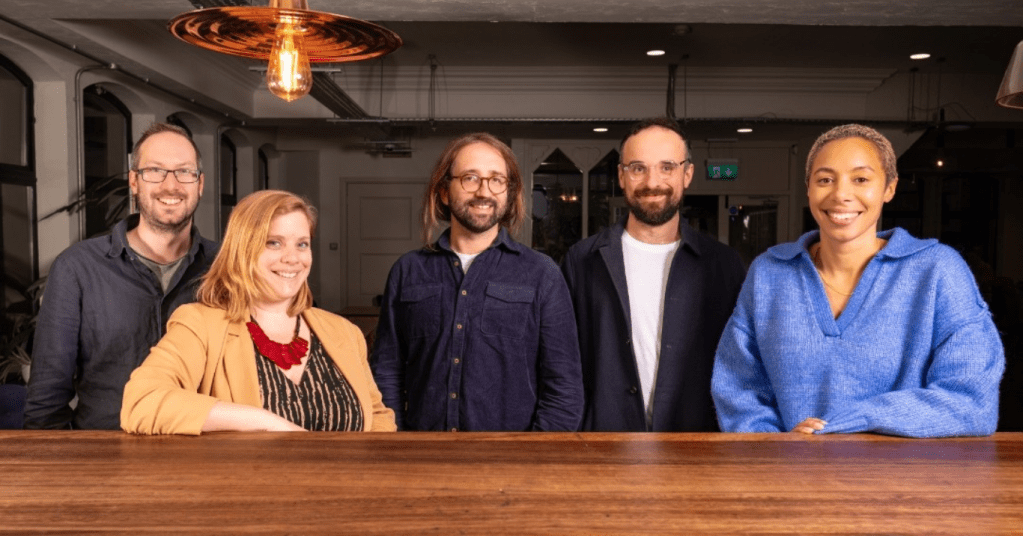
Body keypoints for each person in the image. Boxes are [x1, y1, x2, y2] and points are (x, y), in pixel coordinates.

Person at [712, 124, 1005, 437]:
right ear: (808, 188)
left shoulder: (938, 271)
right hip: (789, 477)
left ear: (889, 188)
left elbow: (972, 401)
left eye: (861, 179)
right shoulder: (769, 273)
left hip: (909, 482)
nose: (840, 194)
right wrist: (778, 447)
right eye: (825, 179)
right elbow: (738, 389)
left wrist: (858, 420)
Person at [121, 190, 395, 434]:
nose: (292, 258)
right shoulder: (199, 324)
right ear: (242, 251)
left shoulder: (345, 333)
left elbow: (378, 417)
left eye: (302, 244)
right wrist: (263, 421)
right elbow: (142, 402)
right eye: (273, 242)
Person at [371, 133, 584, 431]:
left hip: (511, 465)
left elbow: (564, 388)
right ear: (444, 191)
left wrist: (533, 461)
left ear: (508, 193)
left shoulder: (542, 274)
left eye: (496, 180)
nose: (484, 191)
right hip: (423, 459)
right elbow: (386, 373)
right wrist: (399, 445)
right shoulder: (408, 271)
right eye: (470, 178)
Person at [25, 123, 218, 430]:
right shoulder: (78, 268)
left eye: (184, 171)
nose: (171, 185)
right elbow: (47, 396)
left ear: (200, 183)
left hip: (204, 454)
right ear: (134, 181)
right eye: (155, 170)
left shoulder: (226, 267)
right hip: (104, 456)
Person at [561, 117, 746, 431]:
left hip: (694, 447)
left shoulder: (723, 265)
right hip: (604, 445)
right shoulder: (581, 260)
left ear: (687, 174)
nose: (652, 182)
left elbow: (742, 366)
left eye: (667, 167)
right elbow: (563, 363)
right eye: (638, 167)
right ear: (622, 176)